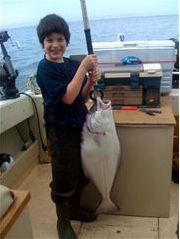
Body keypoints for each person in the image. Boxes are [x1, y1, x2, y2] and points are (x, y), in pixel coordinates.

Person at [36, 13, 101, 239]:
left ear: (67, 41)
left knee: (81, 173)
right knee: (64, 176)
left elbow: (80, 99)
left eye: (60, 39)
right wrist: (84, 68)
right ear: (42, 44)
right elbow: (66, 97)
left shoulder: (73, 64)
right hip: (61, 132)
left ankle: (73, 210)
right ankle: (62, 223)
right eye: (49, 40)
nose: (55, 45)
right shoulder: (45, 69)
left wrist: (90, 82)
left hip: (80, 127)